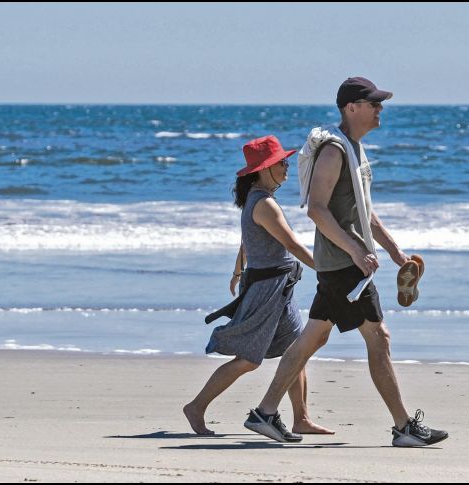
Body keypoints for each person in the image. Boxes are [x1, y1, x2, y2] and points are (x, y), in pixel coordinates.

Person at [243, 77, 448, 447]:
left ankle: (265, 412)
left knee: (313, 337)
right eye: (374, 103)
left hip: (342, 263)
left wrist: (394, 251)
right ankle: (404, 427)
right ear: (351, 107)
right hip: (343, 265)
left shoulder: (354, 149)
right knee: (378, 337)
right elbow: (317, 210)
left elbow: (363, 211)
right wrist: (355, 251)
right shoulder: (334, 151)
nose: (380, 109)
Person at [183, 135, 333, 439]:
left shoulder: (259, 198)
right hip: (267, 291)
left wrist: (237, 271)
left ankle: (301, 418)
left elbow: (247, 241)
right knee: (249, 359)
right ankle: (196, 407)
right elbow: (291, 244)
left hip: (280, 288)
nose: (287, 166)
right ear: (264, 169)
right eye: (281, 162)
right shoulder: (263, 203)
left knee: (296, 349)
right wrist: (329, 271)